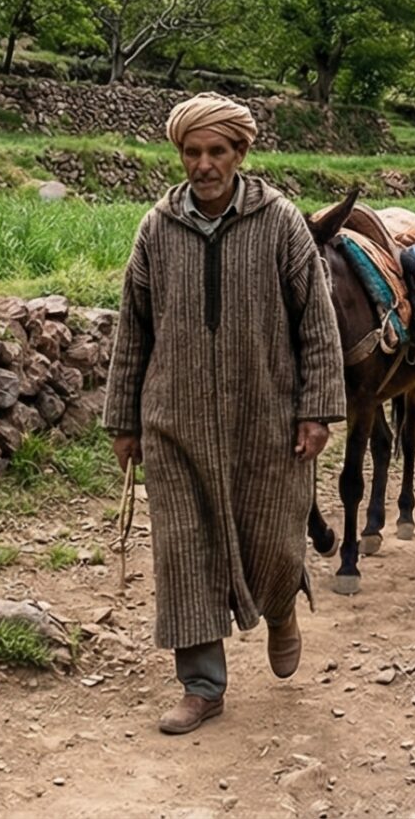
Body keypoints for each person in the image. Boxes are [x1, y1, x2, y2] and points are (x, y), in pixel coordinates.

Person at [106, 93, 346, 736]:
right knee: (183, 550)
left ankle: (281, 607)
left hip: (265, 416)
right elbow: (134, 328)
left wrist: (317, 410)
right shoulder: (157, 228)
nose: (203, 164)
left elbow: (316, 323)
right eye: (192, 152)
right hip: (174, 420)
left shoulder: (280, 222)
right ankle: (202, 686)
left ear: (240, 153)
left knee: (274, 538)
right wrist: (124, 421)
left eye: (216, 151)